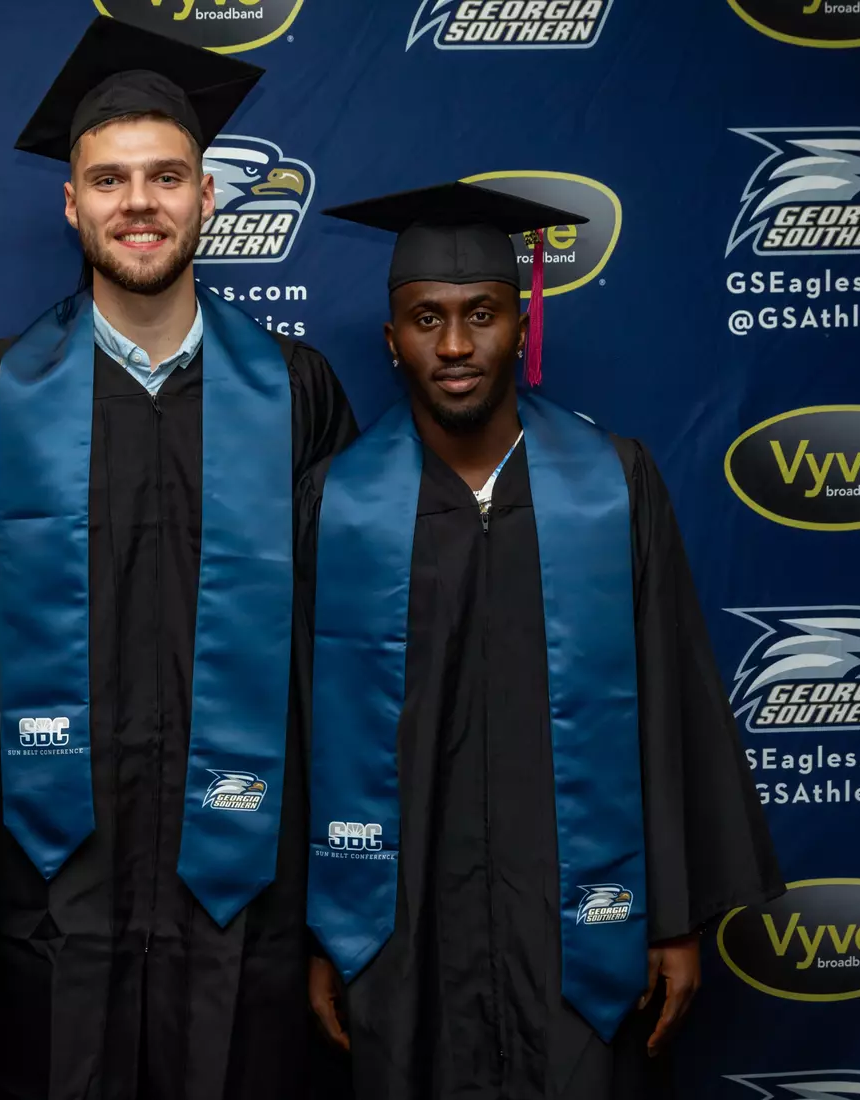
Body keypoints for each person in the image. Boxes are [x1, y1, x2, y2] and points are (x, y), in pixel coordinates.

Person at [0, 17, 357, 1100]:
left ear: (210, 197)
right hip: (48, 890)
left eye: (167, 176)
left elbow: (352, 658)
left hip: (244, 883)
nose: (139, 204)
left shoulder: (296, 396)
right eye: (109, 180)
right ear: (72, 204)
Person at [301, 182, 785, 1100]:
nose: (453, 346)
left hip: (577, 925)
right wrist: (323, 931)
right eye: (426, 319)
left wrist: (673, 919)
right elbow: (306, 735)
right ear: (390, 340)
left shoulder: (613, 486)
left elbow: (669, 699)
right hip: (406, 933)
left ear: (521, 325)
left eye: (480, 315)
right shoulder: (339, 506)